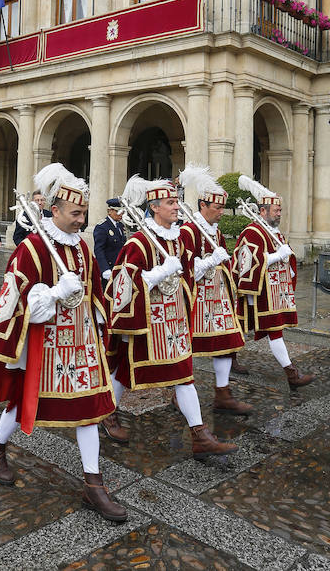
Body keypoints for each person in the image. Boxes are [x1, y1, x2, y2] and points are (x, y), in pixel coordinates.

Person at [0, 163, 126, 523]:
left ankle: (94, 484)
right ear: (55, 210)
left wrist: (98, 323)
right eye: (75, 213)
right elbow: (16, 302)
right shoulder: (31, 249)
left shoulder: (81, 248)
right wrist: (54, 294)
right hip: (43, 344)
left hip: (80, 343)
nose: (81, 221)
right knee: (22, 402)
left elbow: (93, 294)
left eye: (84, 214)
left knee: (90, 410)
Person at [104, 176, 237, 459]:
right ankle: (108, 414)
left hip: (174, 322)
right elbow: (123, 283)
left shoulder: (179, 240)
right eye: (171, 202)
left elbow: (191, 277)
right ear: (154, 207)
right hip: (146, 321)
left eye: (177, 201)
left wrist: (208, 263)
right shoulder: (139, 242)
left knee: (183, 374)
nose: (178, 206)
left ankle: (199, 435)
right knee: (126, 370)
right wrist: (159, 272)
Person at [179, 166, 251, 415]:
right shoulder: (188, 231)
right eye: (218, 208)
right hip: (195, 299)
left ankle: (223, 393)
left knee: (226, 341)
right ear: (203, 205)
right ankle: (179, 393)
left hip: (218, 298)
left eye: (222, 208)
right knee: (185, 347)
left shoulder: (216, 231)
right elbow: (184, 269)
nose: (222, 212)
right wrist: (211, 260)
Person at [233, 175, 316, 390]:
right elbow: (247, 262)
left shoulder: (275, 232)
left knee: (246, 326)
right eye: (276, 211)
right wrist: (278, 256)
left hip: (276, 291)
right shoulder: (252, 232)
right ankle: (292, 374)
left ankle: (229, 358)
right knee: (268, 329)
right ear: (263, 211)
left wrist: (288, 263)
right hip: (260, 291)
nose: (280, 214)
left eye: (280, 211)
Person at [93, 198, 127, 289]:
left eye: (122, 212)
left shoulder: (120, 226)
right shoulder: (102, 227)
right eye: (118, 212)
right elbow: (99, 249)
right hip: (109, 269)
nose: (121, 215)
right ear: (109, 211)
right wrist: (104, 269)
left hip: (120, 268)